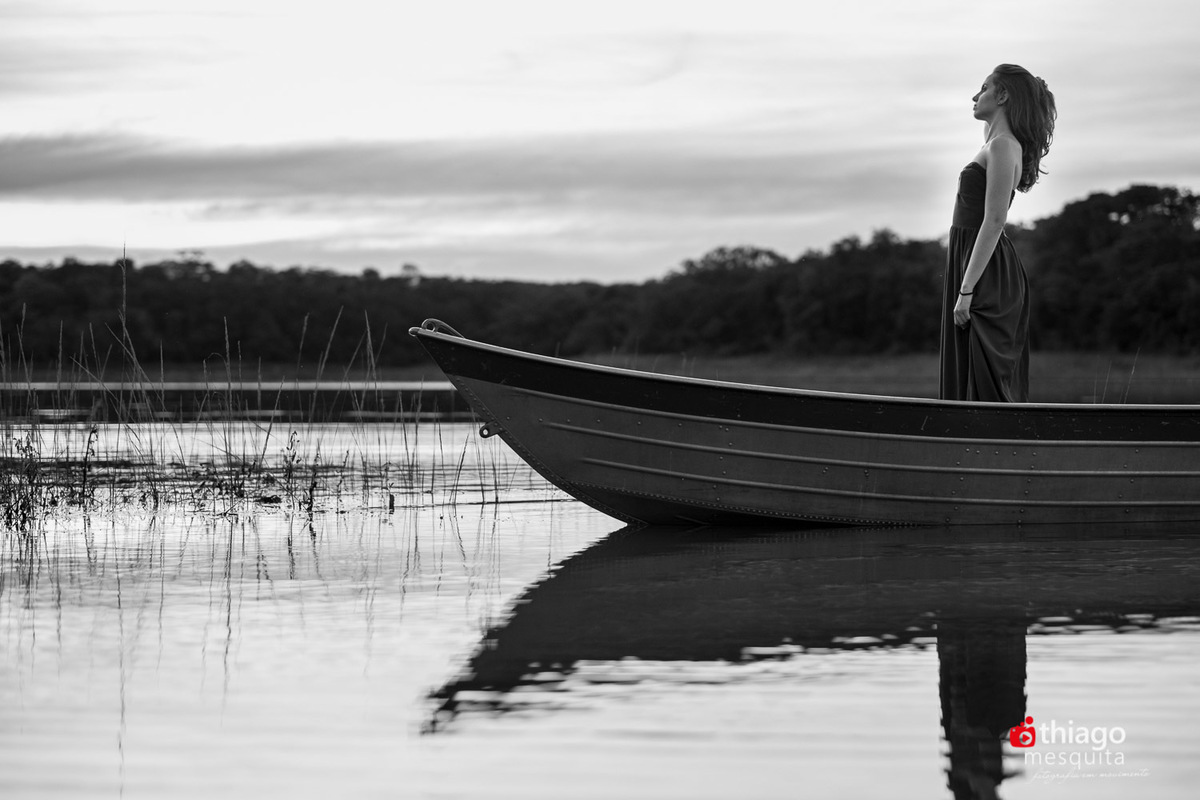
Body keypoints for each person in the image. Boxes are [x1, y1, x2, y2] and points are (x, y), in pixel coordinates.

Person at [939, 64, 1056, 402]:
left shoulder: (1004, 146)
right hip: (972, 261)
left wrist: (966, 290)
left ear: (1003, 95)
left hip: (986, 272)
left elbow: (993, 221)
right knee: (968, 372)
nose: (975, 96)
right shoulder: (994, 143)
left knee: (985, 382)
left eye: (985, 87)